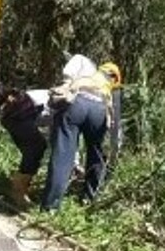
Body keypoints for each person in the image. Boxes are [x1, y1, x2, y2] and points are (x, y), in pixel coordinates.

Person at [40, 53, 114, 213]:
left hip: (77, 104)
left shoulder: (80, 60)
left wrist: (65, 88)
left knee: (63, 155)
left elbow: (68, 78)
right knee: (96, 154)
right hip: (99, 110)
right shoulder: (107, 83)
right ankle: (89, 199)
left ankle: (50, 207)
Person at [0, 86, 49, 208]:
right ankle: (18, 191)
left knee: (32, 151)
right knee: (36, 148)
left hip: (14, 115)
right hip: (18, 115)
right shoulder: (67, 104)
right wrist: (75, 162)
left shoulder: (65, 97)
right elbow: (60, 135)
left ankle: (20, 187)